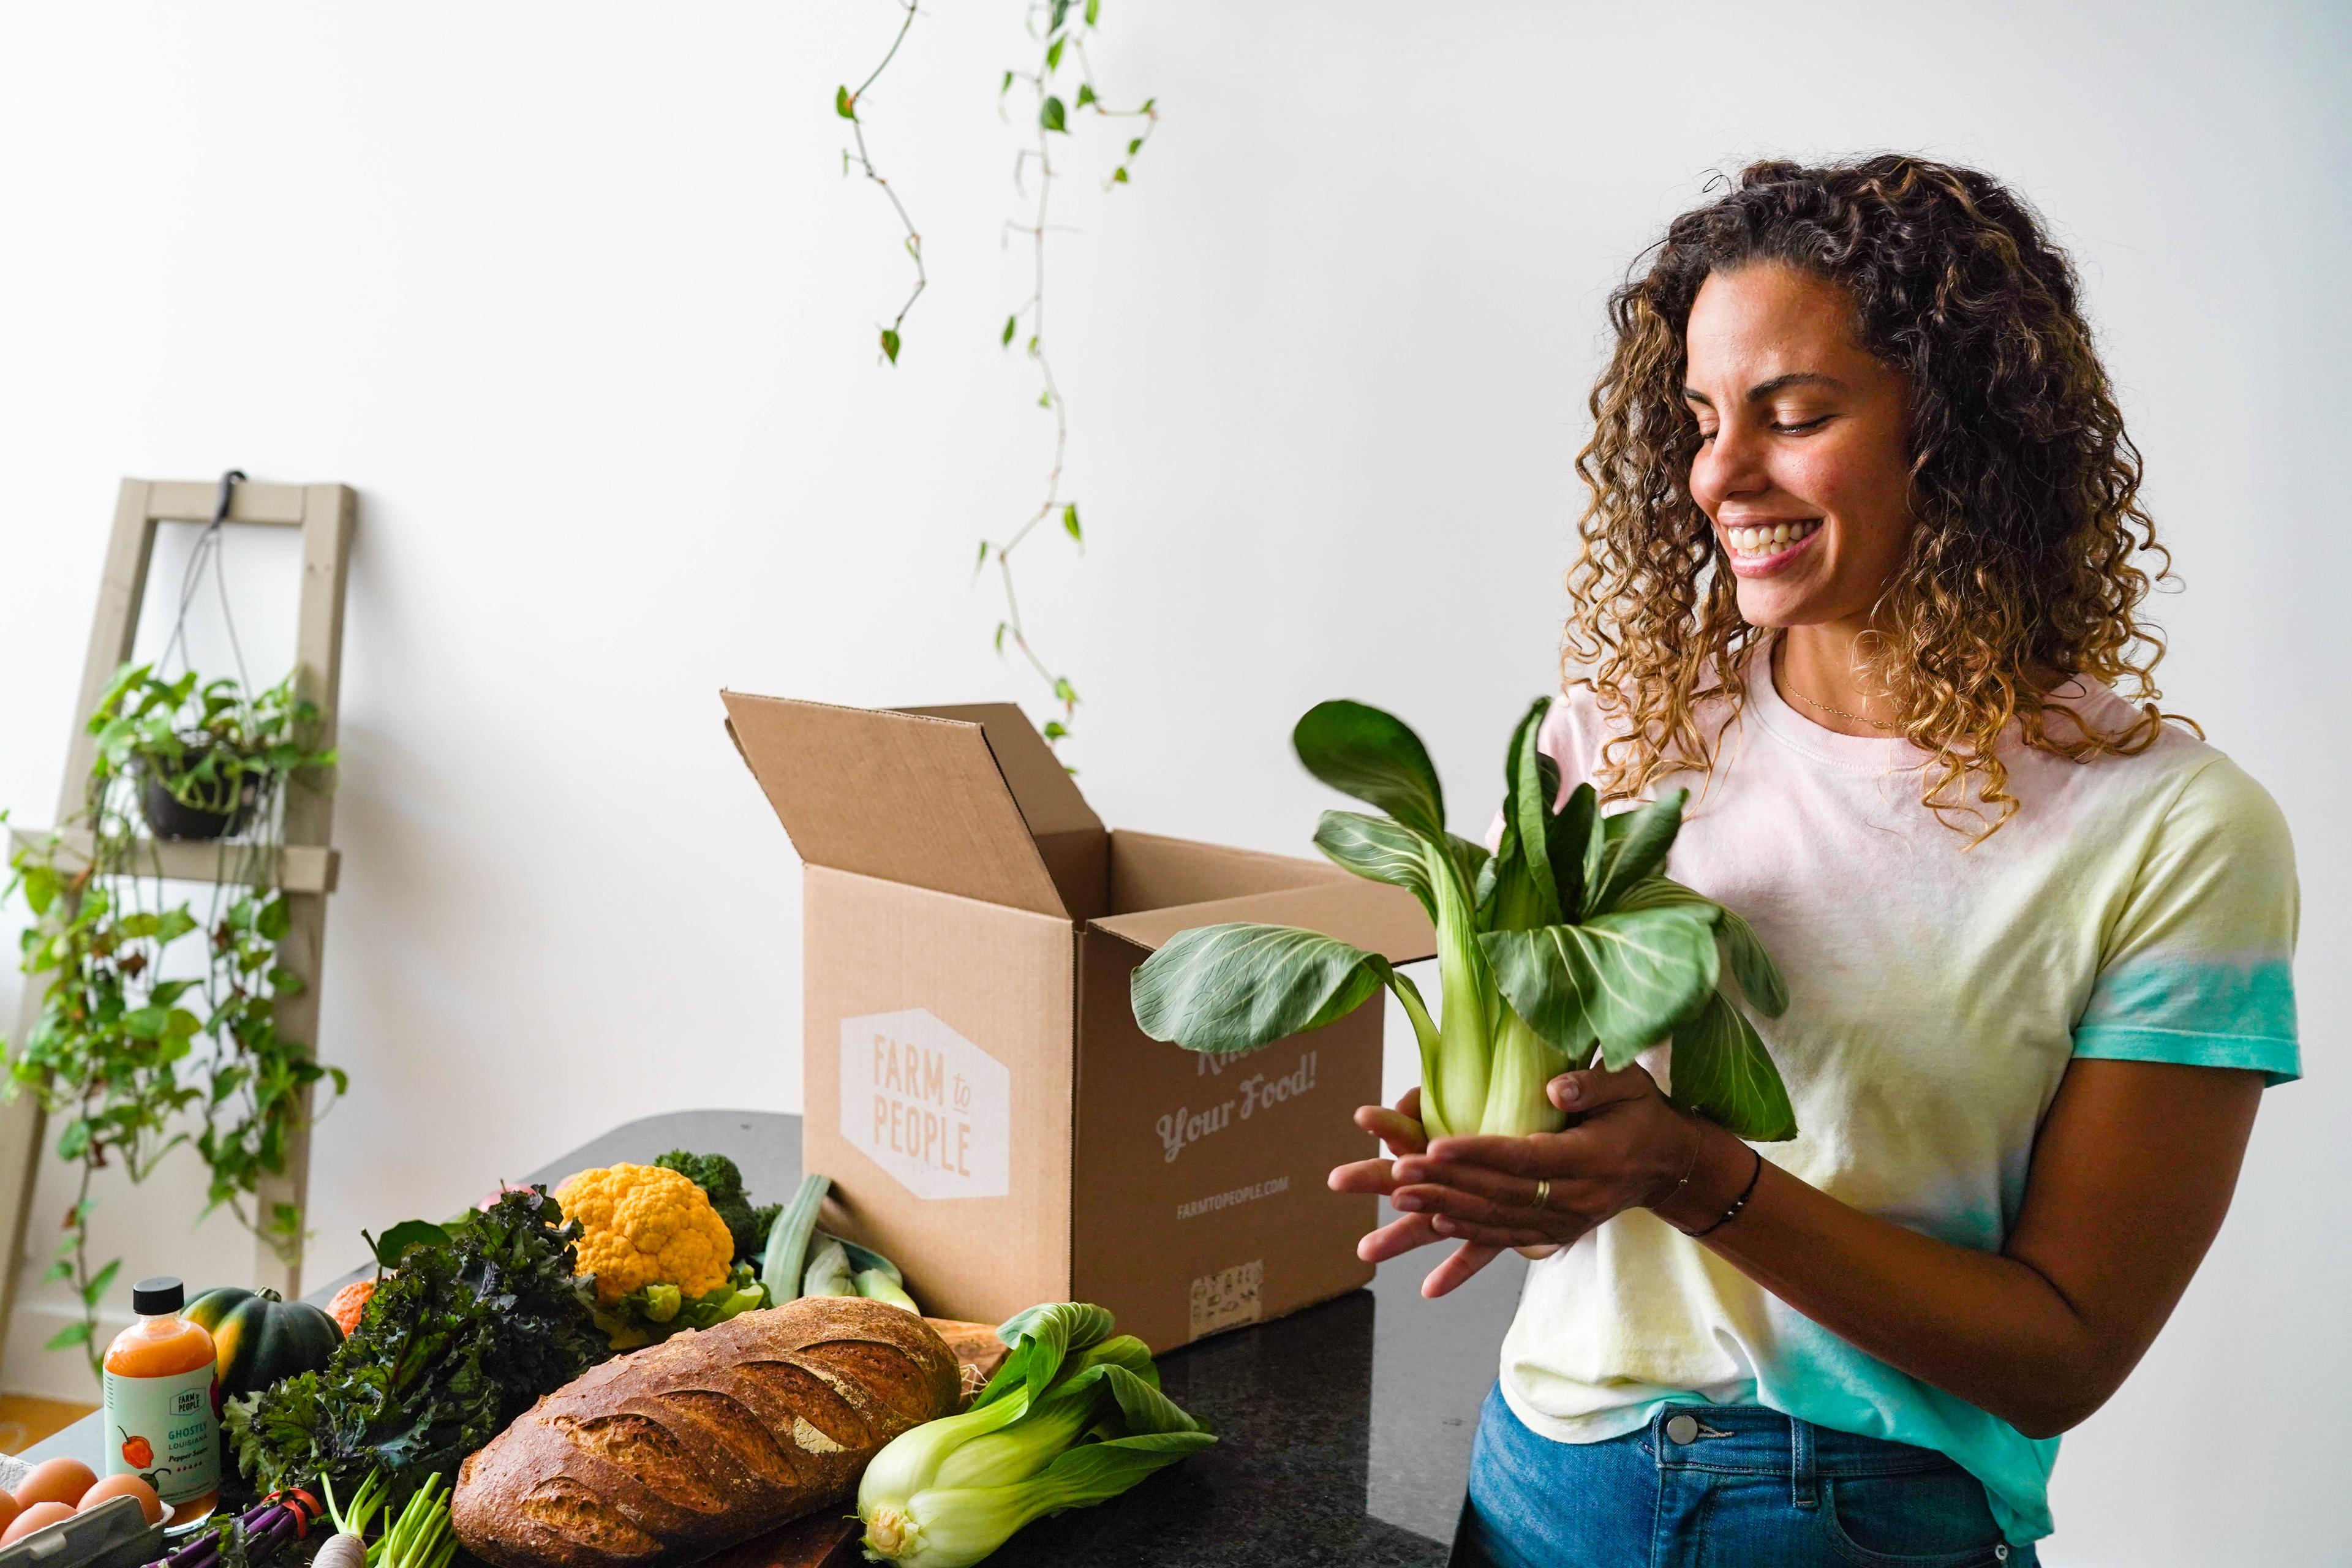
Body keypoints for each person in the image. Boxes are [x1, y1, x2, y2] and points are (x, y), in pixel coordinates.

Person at [1330, 155, 2299, 1567]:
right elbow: (1576, 1181)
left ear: (1959, 436)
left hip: (1852, 1520)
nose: (1721, 473)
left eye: (1792, 416)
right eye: (1702, 418)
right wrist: (1514, 1170)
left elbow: (2062, 1350)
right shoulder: (1620, 734)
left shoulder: (2175, 830)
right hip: (1535, 1482)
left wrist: (1686, 1170)